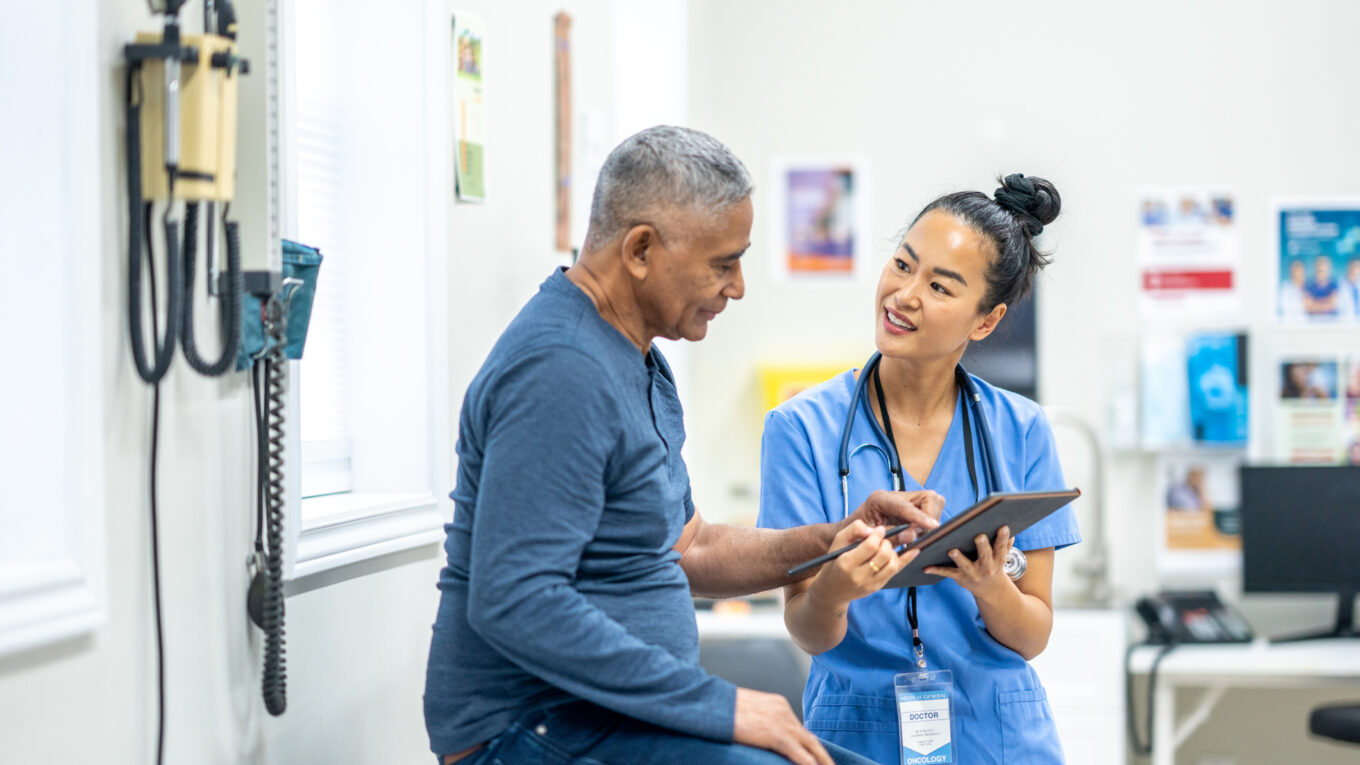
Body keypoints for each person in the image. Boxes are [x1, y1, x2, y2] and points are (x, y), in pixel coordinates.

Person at [422, 126, 942, 765]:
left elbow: (690, 546)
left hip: (611, 722)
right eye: (723, 262)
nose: (739, 285)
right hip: (530, 729)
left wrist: (830, 540)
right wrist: (720, 706)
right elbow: (516, 600)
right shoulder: (560, 371)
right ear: (640, 249)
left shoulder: (636, 356)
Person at [758, 174, 1082, 764]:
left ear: (984, 321)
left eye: (940, 286)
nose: (905, 294)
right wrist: (834, 589)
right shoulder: (800, 428)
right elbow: (806, 628)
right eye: (903, 265)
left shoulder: (1023, 430)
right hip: (856, 731)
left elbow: (1032, 634)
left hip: (999, 736)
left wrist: (989, 587)